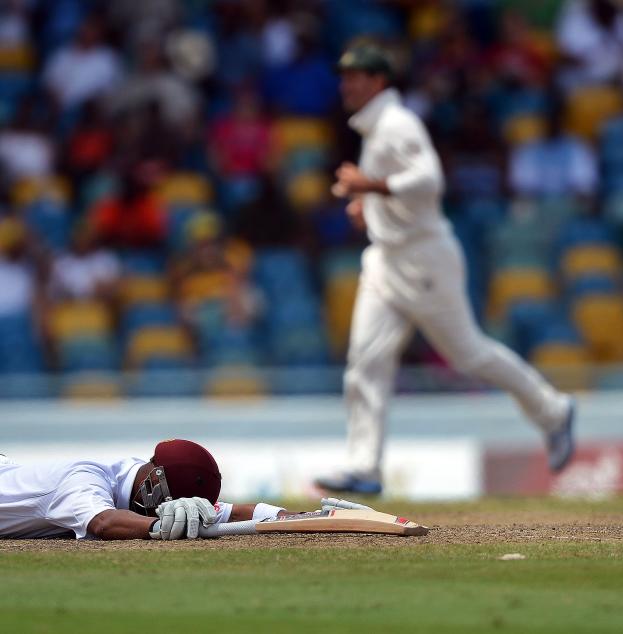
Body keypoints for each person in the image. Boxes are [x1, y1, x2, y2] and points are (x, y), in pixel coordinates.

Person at [315, 44, 576, 495]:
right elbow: (402, 192)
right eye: (343, 76)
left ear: (379, 82)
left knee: (468, 355)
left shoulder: (398, 124)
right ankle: (364, 466)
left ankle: (553, 410)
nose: (346, 84)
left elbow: (430, 179)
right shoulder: (376, 128)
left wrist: (369, 185)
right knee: (365, 362)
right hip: (386, 256)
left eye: (355, 76)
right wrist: (369, 204)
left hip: (423, 257)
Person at [0, 439, 290, 540]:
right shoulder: (82, 480)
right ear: (155, 484)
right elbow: (104, 522)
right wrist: (159, 524)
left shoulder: (140, 474)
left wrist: (296, 516)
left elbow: (233, 512)